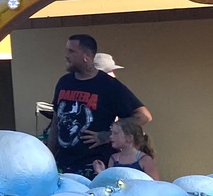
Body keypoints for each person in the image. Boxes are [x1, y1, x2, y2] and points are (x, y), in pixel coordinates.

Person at [47, 34, 151, 177]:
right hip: (63, 166)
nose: (66, 56)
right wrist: (49, 155)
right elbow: (56, 120)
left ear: (87, 56)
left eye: (71, 51)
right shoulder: (64, 82)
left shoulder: (109, 86)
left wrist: (107, 135)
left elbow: (143, 116)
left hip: (95, 167)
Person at [91, 116, 158, 178]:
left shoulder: (145, 159)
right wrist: (102, 173)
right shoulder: (114, 158)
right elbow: (110, 182)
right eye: (111, 133)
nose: (111, 136)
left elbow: (154, 185)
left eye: (115, 133)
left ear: (129, 138)